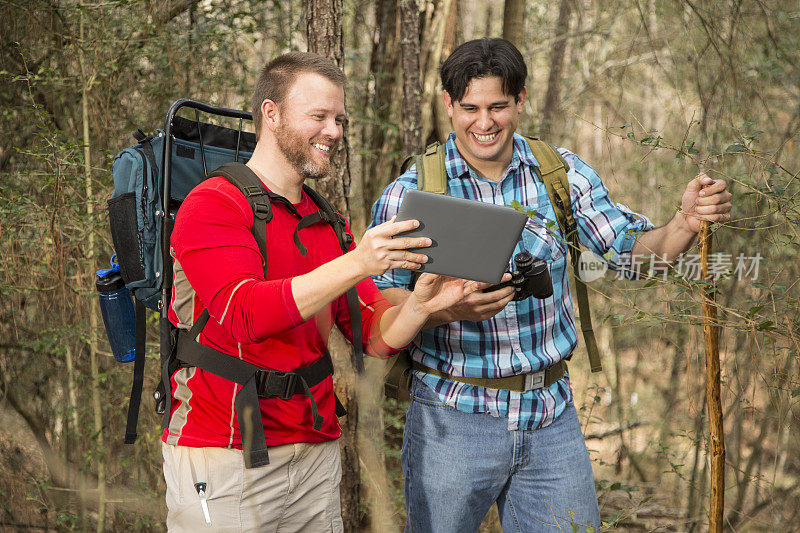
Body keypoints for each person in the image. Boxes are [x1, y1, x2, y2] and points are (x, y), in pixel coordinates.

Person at [369, 38, 732, 532]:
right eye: (470, 107)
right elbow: (382, 303)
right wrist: (442, 309)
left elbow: (634, 257)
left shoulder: (560, 175)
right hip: (452, 416)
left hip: (551, 414)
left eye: (498, 105)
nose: (484, 122)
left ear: (520, 100)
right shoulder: (410, 192)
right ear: (449, 106)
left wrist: (685, 224)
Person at [161, 51, 478, 532]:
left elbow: (371, 332)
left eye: (339, 119)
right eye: (319, 116)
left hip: (315, 449)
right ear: (271, 114)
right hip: (220, 454)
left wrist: (422, 305)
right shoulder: (213, 204)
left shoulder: (326, 220)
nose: (334, 131)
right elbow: (244, 314)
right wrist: (357, 263)